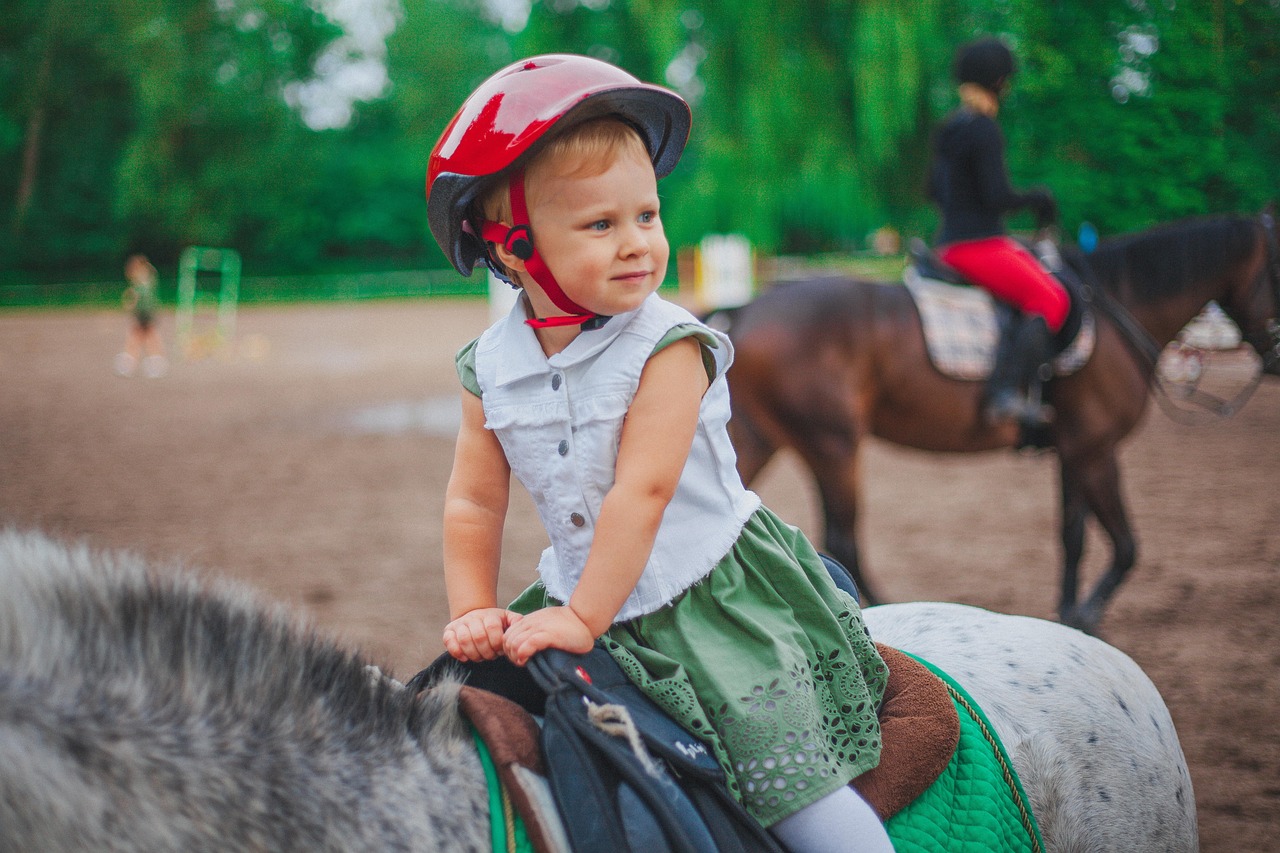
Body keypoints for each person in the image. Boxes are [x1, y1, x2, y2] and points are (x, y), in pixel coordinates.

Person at [428, 55, 892, 853]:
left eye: (647, 214)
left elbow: (641, 493)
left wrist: (580, 619)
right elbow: (474, 498)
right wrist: (473, 606)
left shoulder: (667, 347)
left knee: (794, 796)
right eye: (601, 225)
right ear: (508, 247)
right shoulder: (489, 365)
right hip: (583, 588)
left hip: (706, 598)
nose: (639, 242)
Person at [927, 36, 1067, 424]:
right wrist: (1040, 199)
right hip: (979, 245)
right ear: (1000, 83)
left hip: (947, 245)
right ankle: (1004, 392)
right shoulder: (984, 129)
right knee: (1052, 298)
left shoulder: (949, 128)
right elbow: (997, 197)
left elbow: (932, 191)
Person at [115, 254, 168, 378]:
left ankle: (151, 362)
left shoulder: (145, 281)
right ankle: (135, 361)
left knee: (146, 337)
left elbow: (139, 298)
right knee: (140, 337)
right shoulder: (144, 281)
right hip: (143, 314)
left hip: (146, 314)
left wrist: (132, 300)